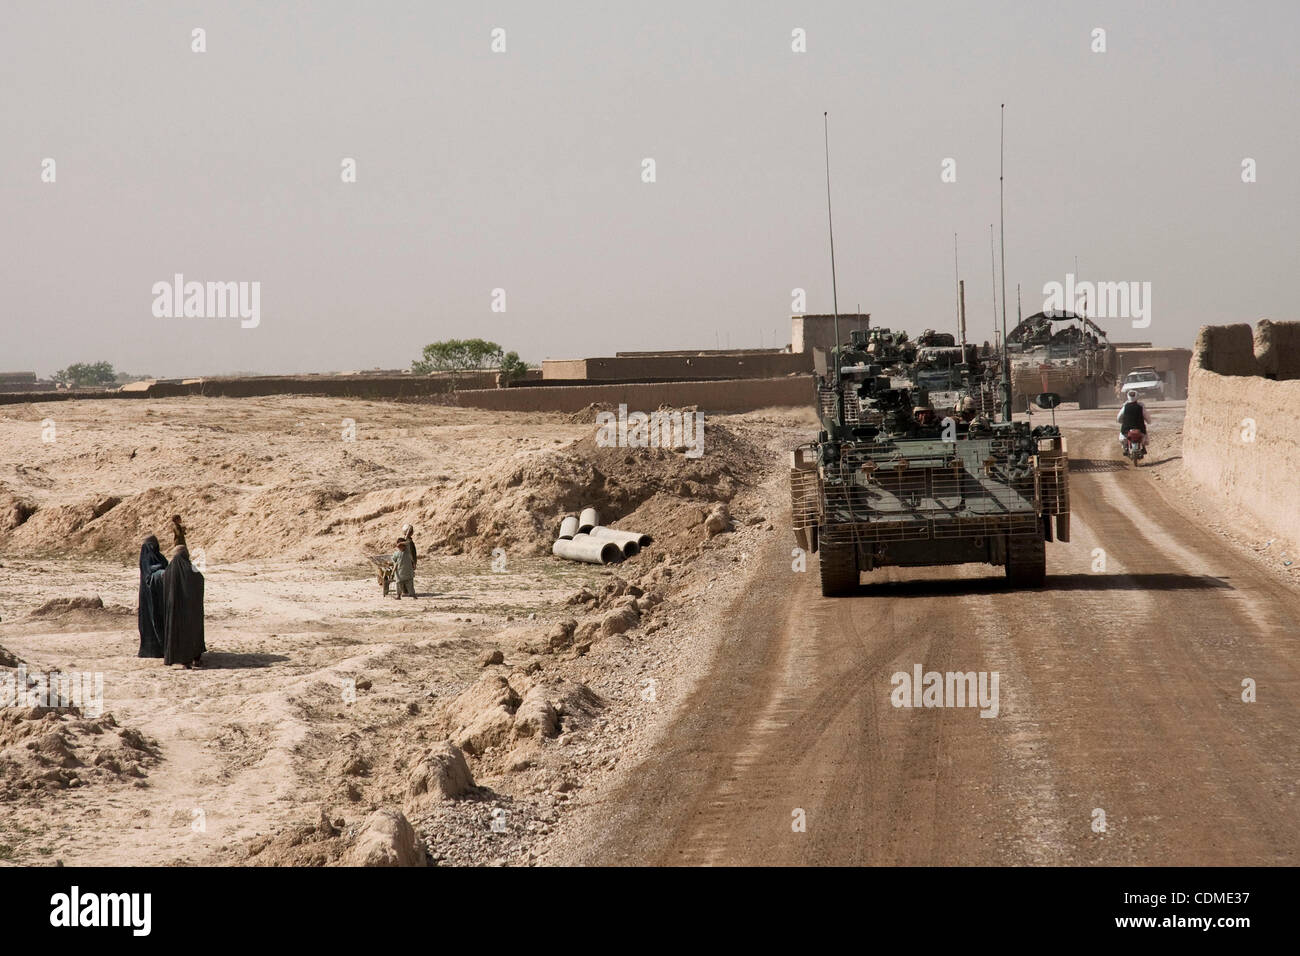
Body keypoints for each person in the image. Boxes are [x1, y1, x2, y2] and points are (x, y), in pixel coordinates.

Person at [162, 545, 206, 668]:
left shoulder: (169, 571)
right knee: (192, 632)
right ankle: (195, 659)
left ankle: (182, 660)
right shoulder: (192, 569)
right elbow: (200, 580)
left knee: (177, 633)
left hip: (174, 611)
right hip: (190, 610)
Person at [137, 535, 168, 658]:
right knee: (150, 622)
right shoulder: (146, 559)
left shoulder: (160, 557)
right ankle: (151, 651)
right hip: (148, 596)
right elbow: (148, 576)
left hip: (160, 597)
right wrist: (161, 572)